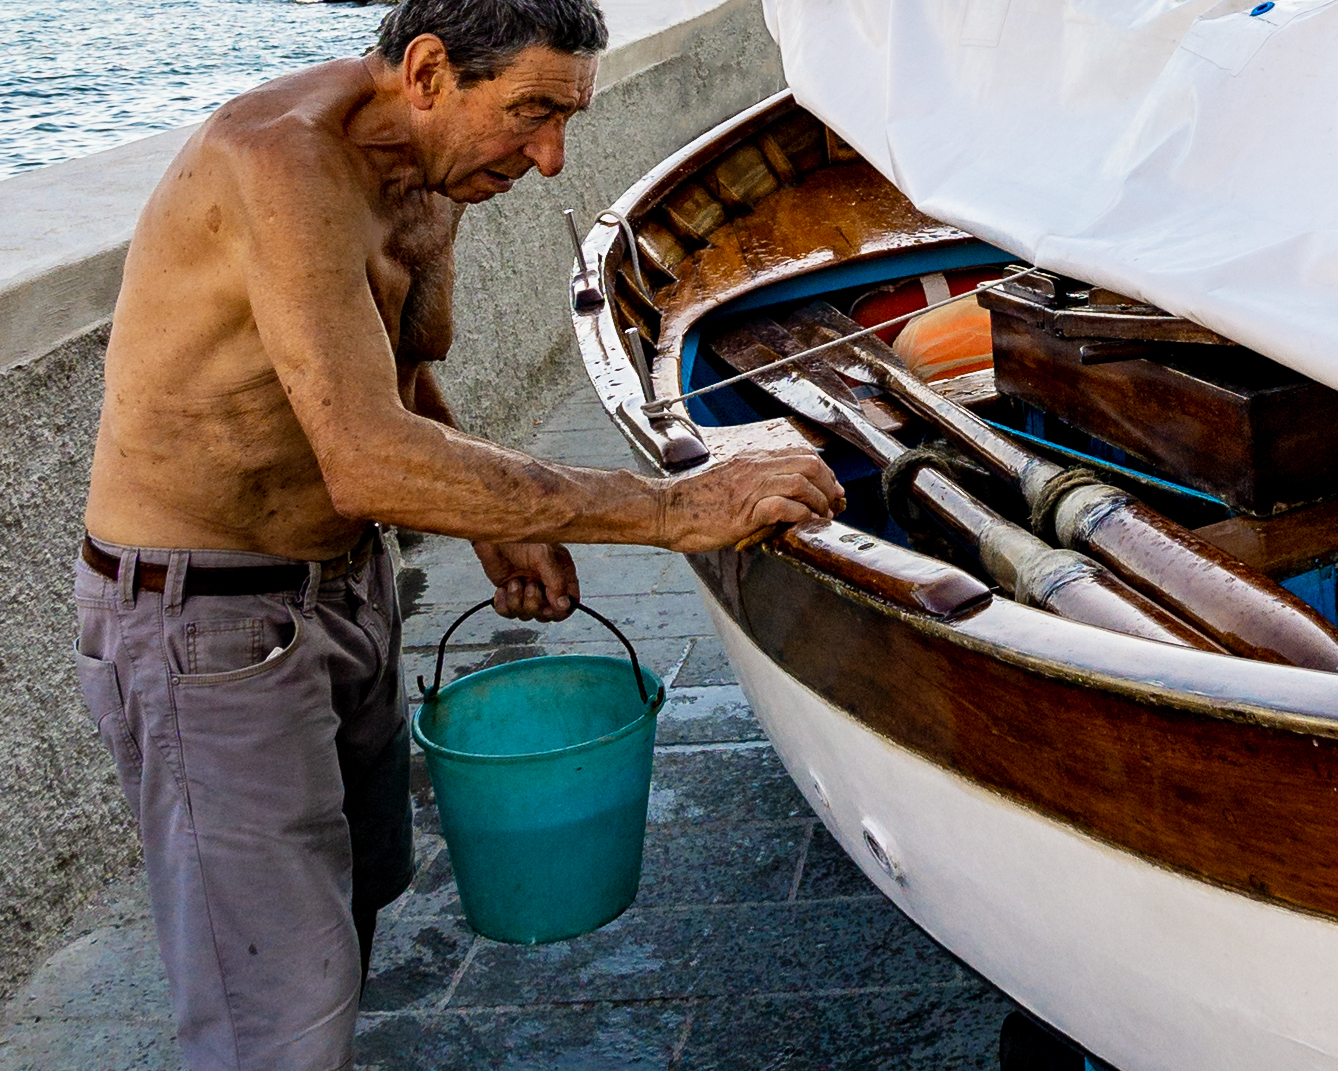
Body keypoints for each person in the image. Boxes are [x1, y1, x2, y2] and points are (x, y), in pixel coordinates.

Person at [71, 1, 843, 1068]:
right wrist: (672, 510)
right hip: (209, 622)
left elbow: (391, 376)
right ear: (428, 70)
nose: (551, 157)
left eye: (566, 118)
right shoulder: (279, 164)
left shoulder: (431, 172)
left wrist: (490, 522)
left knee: (356, 903)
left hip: (342, 587)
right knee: (274, 1004)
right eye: (529, 113)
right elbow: (367, 458)